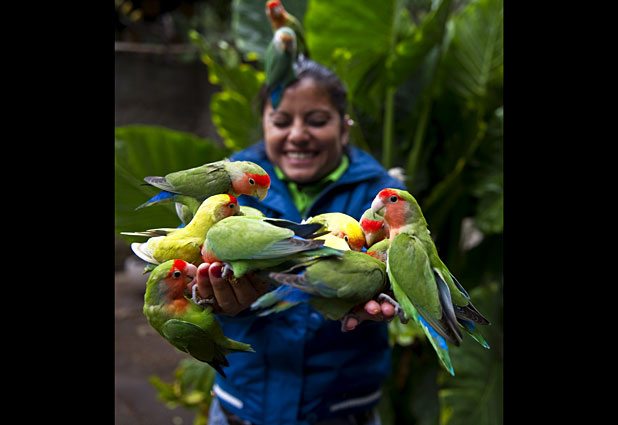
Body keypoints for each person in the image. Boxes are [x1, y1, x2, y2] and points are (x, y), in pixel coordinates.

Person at [190, 58, 407, 425]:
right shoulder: (231, 189)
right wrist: (207, 294)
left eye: (318, 121)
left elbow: (403, 270)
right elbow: (199, 262)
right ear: (263, 125)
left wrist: (386, 287)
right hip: (240, 405)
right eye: (281, 121)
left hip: (340, 407)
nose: (297, 134)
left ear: (344, 128)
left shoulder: (382, 197)